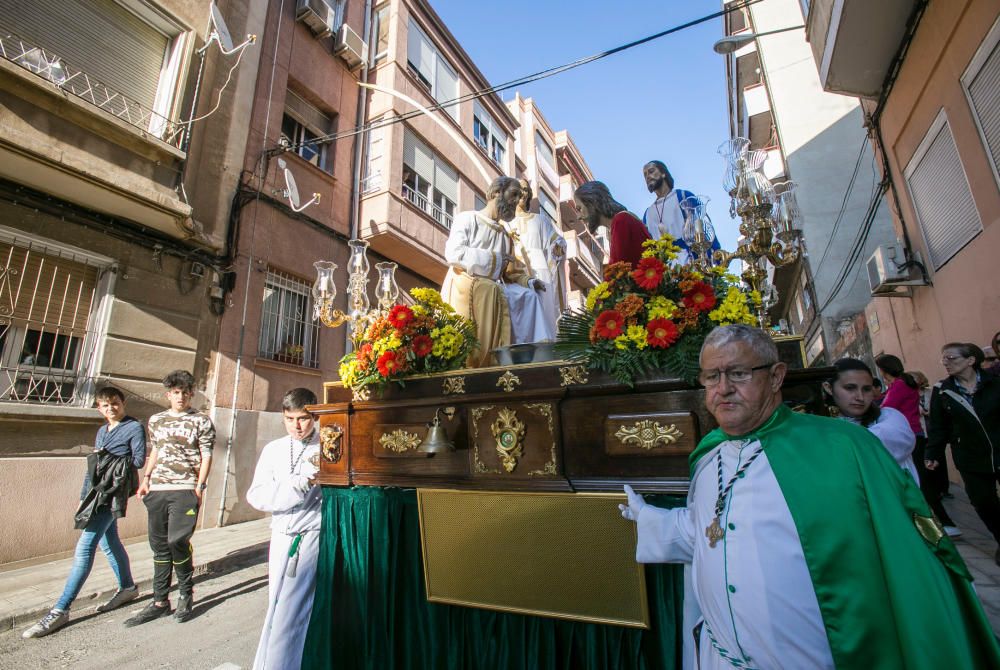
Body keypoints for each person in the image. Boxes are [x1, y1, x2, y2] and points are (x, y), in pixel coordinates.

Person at [619, 325, 1000, 670]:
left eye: (738, 373)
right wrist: (653, 520)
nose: (723, 388)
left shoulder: (843, 448)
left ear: (775, 377)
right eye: (711, 376)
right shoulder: (708, 454)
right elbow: (712, 532)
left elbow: (908, 559)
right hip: (721, 657)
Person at [22, 387, 146, 638]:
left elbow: (139, 460)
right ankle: (128, 588)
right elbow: (93, 468)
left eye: (115, 403)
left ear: (123, 403)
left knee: (85, 547)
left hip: (111, 495)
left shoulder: (134, 427)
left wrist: (110, 460)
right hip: (95, 494)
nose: (111, 408)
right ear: (99, 408)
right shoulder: (102, 430)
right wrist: (83, 498)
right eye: (105, 405)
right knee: (110, 542)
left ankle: (61, 609)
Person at [125, 370, 215, 626]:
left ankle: (186, 594)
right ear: (169, 394)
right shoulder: (157, 420)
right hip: (159, 488)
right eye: (176, 393)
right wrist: (146, 478)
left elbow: (206, 453)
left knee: (178, 540)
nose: (181, 397)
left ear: (191, 394)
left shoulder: (201, 420)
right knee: (159, 546)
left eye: (186, 393)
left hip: (185, 488)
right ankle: (159, 602)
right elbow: (156, 450)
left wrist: (200, 486)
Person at [247, 388, 322, 670]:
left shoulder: (328, 447)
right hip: (280, 536)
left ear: (314, 415)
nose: (297, 426)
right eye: (290, 419)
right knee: (276, 607)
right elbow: (256, 495)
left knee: (294, 610)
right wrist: (296, 484)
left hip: (311, 536)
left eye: (303, 419)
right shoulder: (274, 449)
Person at [441, 176, 545, 365]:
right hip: (465, 282)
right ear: (496, 192)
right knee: (491, 289)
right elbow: (454, 253)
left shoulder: (506, 236)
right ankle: (481, 361)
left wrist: (529, 281)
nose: (516, 202)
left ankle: (528, 359)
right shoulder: (468, 218)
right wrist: (494, 259)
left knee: (529, 297)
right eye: (513, 195)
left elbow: (510, 272)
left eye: (519, 196)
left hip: (492, 285)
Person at [927, 342, 1000, 566]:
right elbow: (938, 426)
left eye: (952, 358)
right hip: (969, 456)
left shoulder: (994, 384)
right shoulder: (943, 390)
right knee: (983, 501)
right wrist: (933, 453)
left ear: (971, 360)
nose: (946, 363)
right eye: (944, 359)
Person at [824, 357, 919, 483]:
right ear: (829, 388)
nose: (860, 397)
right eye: (850, 388)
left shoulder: (890, 417)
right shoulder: (823, 425)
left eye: (866, 389)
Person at [506, 178, 566, 341]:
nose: (523, 193)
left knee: (545, 315)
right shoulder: (506, 224)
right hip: (515, 274)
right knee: (520, 318)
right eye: (519, 189)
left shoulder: (540, 220)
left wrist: (559, 245)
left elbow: (556, 241)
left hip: (540, 272)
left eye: (526, 189)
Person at [908, 368, 959, 534]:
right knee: (926, 466)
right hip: (921, 434)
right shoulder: (907, 395)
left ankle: (942, 489)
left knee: (939, 462)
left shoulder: (931, 392)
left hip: (934, 433)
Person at [641, 160, 720, 263]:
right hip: (663, 270)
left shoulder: (683, 197)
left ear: (663, 173)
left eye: (651, 171)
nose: (647, 176)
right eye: (645, 175)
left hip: (689, 263)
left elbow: (702, 228)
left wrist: (715, 255)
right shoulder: (647, 214)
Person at [573, 180, 649, 267]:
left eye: (579, 209)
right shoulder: (618, 224)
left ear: (593, 203)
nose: (578, 217)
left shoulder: (621, 221)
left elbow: (620, 270)